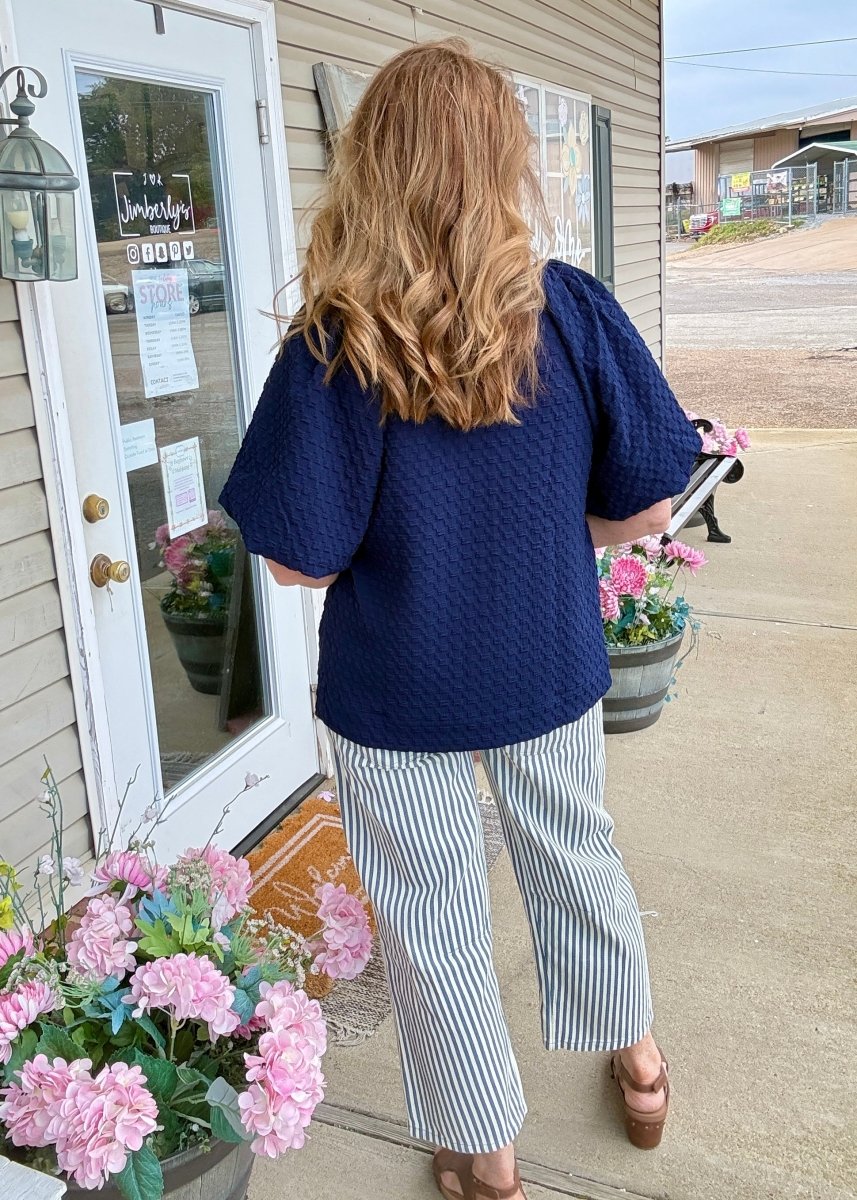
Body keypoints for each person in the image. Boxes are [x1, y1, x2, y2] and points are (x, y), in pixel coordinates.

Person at [220, 39, 701, 1200]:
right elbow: (643, 505)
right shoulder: (570, 312)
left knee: (430, 916)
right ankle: (634, 1064)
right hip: (544, 655)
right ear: (502, 167)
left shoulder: (336, 345)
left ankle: (485, 1157)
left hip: (398, 689)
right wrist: (543, 534)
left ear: (371, 168)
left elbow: (293, 562)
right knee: (574, 855)